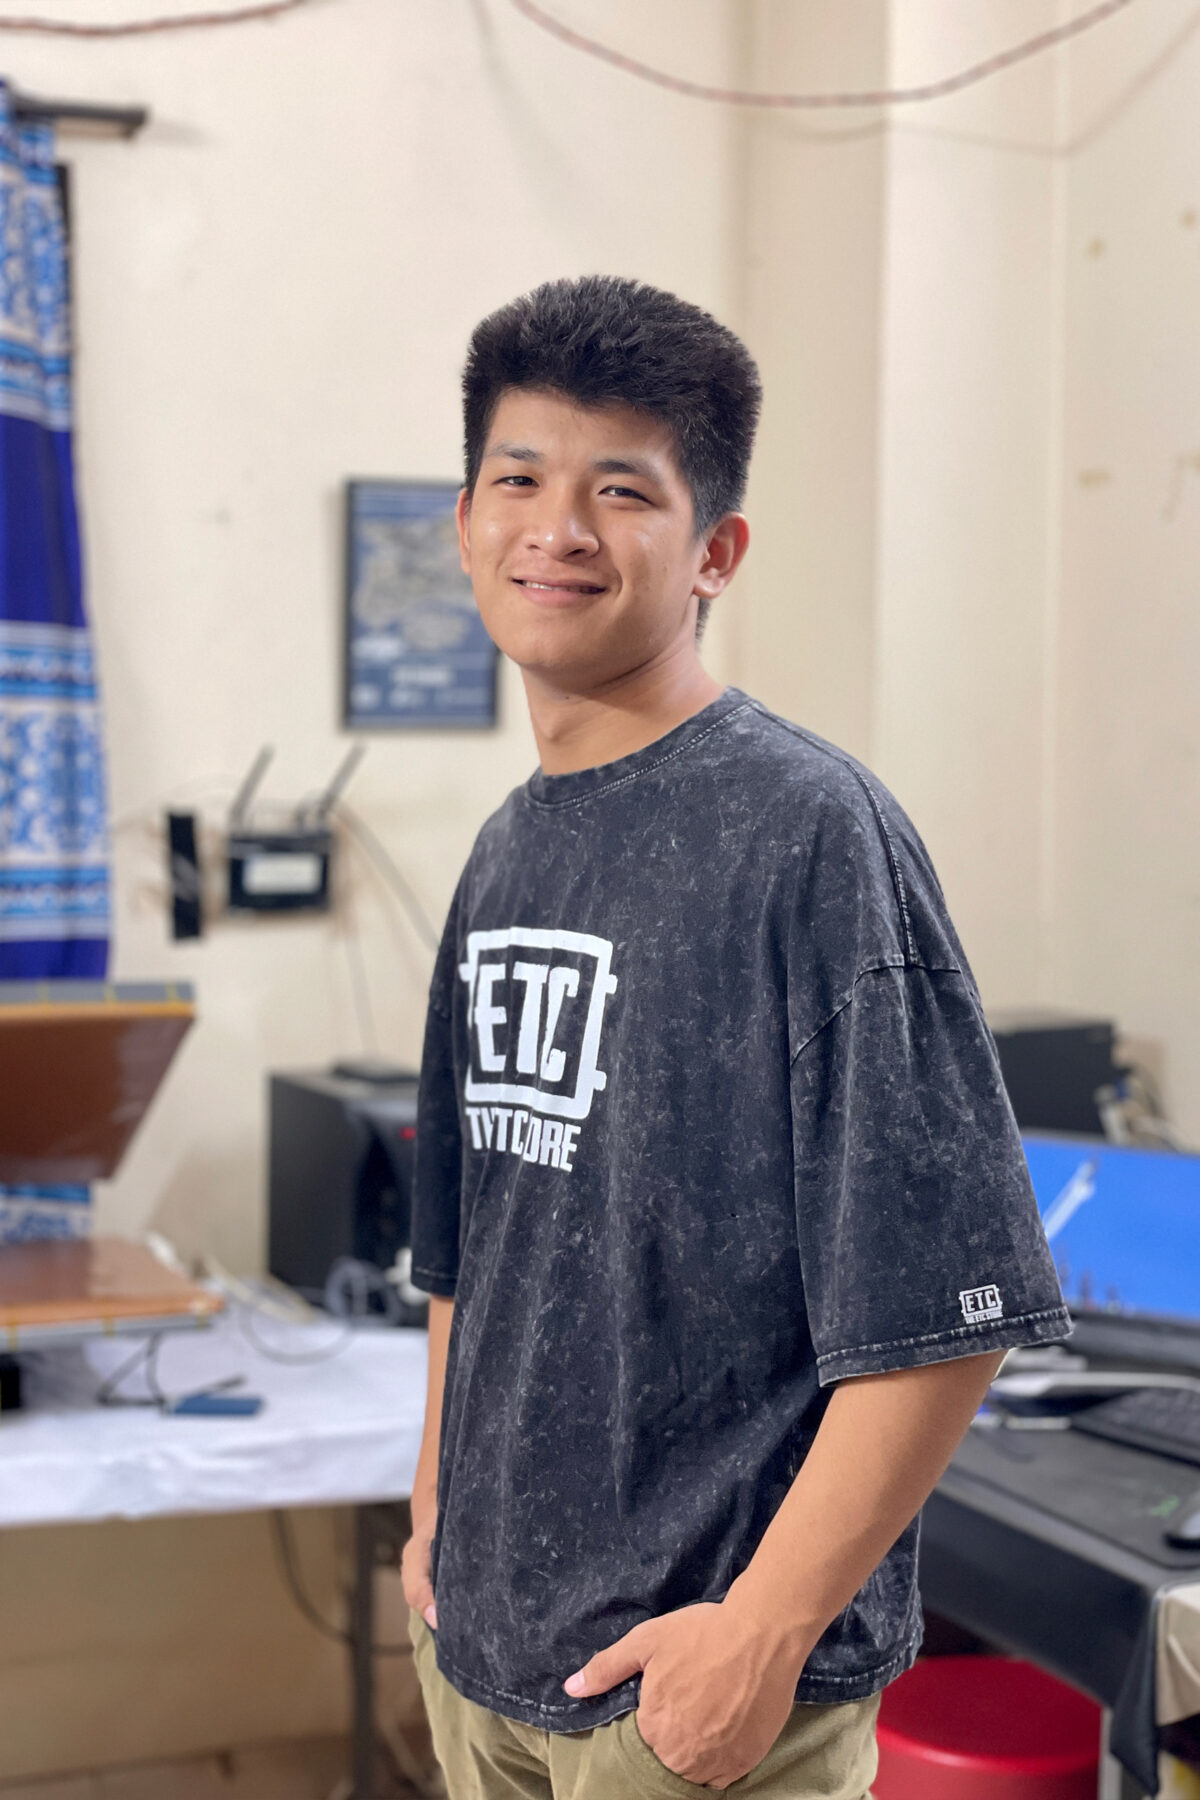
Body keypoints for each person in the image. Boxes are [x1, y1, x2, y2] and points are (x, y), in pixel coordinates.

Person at [401, 274, 1068, 1799]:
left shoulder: (809, 831)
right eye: (520, 479)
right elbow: (469, 1253)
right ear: (467, 522)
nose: (559, 528)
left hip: (686, 1693)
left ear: (716, 552)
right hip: (488, 1656)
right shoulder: (509, 848)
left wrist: (761, 1636)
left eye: (622, 490)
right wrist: (438, 1516)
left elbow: (951, 1306)